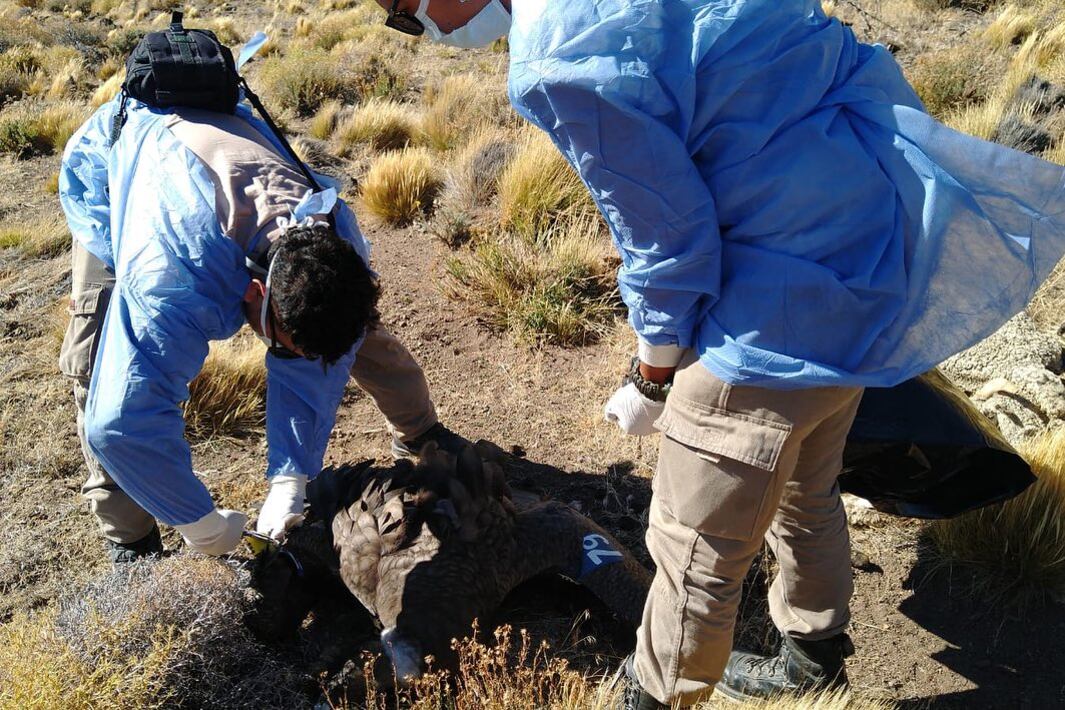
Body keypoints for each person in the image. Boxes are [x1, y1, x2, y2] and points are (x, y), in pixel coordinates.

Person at [372, 0, 1065, 706]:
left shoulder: (560, 58)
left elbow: (668, 243)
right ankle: (813, 657)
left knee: (692, 544)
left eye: (403, 11)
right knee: (806, 485)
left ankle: (656, 695)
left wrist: (650, 377)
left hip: (770, 314)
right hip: (863, 257)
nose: (418, 29)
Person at [59, 91, 468, 565]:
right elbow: (121, 421)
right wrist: (199, 523)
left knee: (339, 334)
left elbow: (319, 353)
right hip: (124, 175)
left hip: (221, 156)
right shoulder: (168, 275)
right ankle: (130, 538)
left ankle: (418, 430)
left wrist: (290, 477)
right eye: (281, 346)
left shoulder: (335, 236)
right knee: (100, 366)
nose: (292, 358)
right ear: (253, 293)